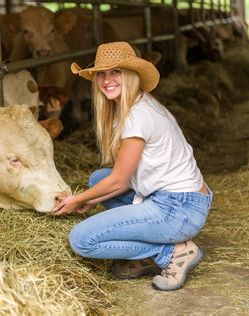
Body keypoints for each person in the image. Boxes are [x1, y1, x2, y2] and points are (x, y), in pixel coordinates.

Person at [53, 41, 213, 291]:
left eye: (116, 72)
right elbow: (127, 179)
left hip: (179, 208)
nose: (107, 80)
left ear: (131, 75)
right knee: (98, 179)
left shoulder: (137, 116)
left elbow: (119, 181)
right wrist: (93, 198)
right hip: (176, 199)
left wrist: (78, 199)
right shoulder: (133, 105)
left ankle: (171, 252)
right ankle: (155, 251)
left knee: (82, 240)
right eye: (101, 74)